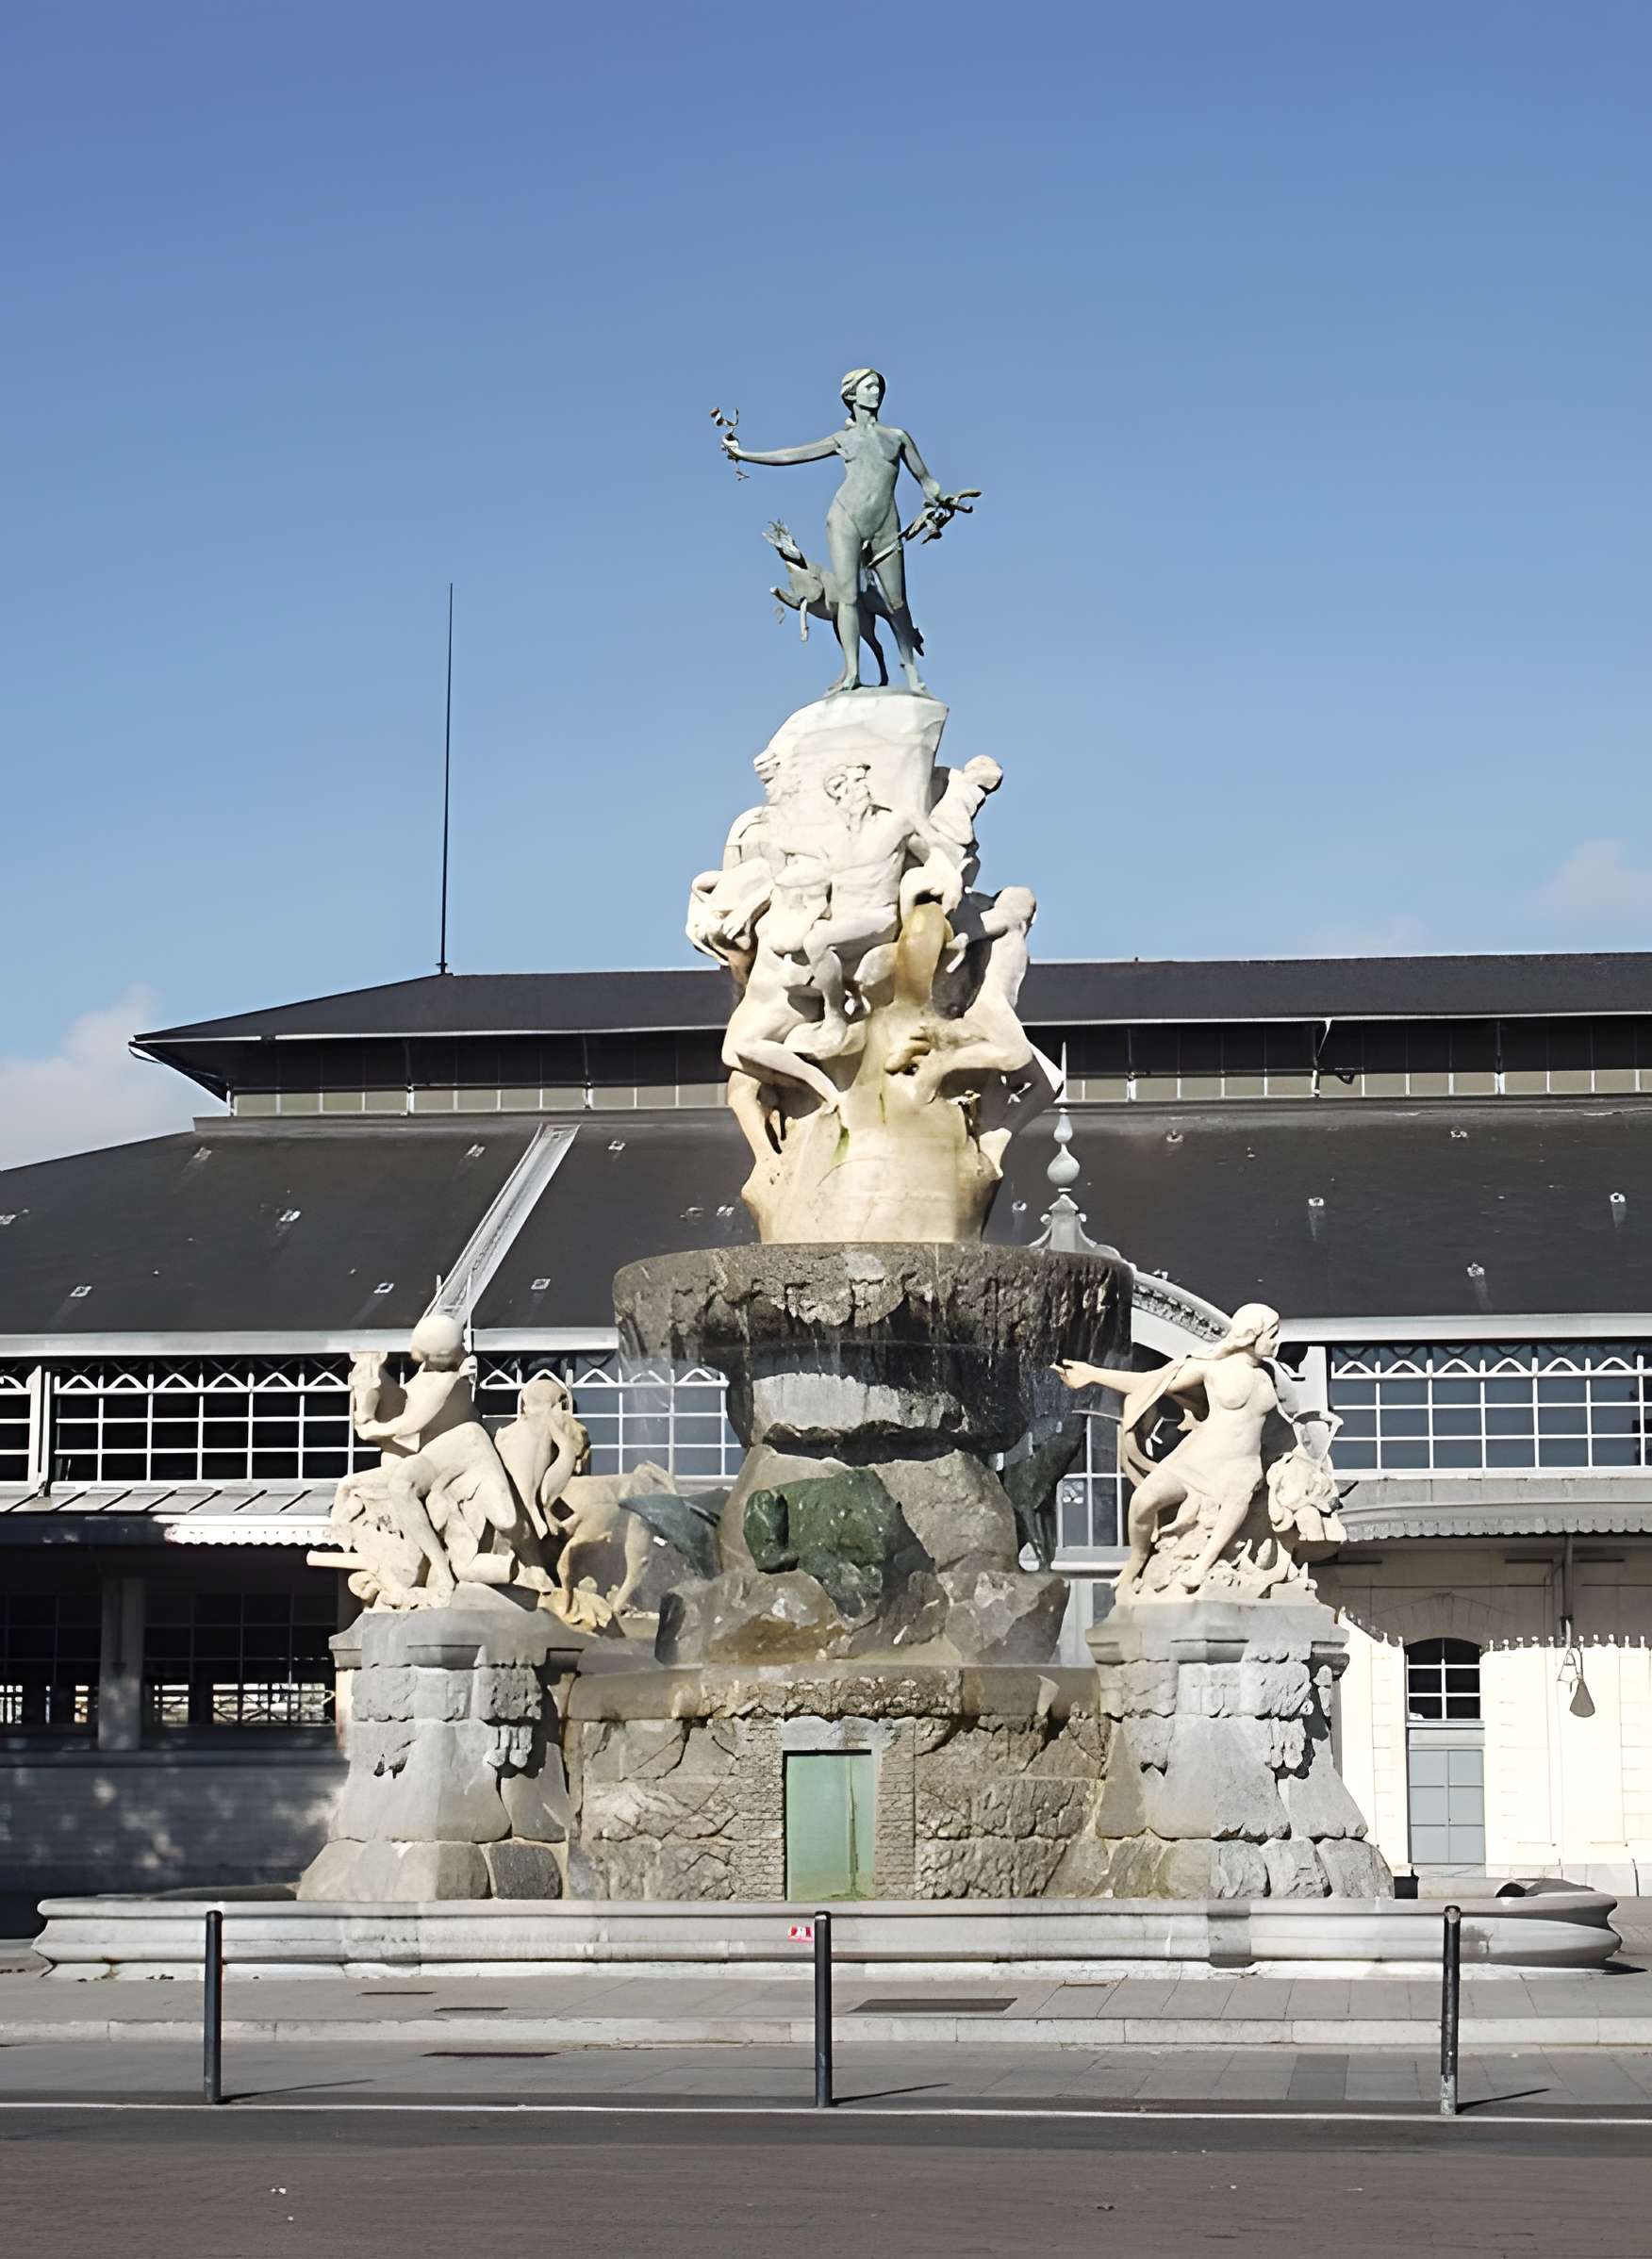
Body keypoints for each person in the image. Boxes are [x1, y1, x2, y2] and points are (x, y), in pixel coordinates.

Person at [722, 369, 962, 695]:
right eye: (868, 387)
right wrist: (744, 454)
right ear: (851, 395)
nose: (875, 392)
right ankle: (852, 672)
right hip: (846, 519)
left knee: (896, 602)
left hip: (885, 524)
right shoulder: (843, 439)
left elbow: (926, 479)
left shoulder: (897, 437)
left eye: (878, 386)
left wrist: (940, 495)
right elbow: (793, 455)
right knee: (848, 597)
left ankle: (913, 675)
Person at [1053, 1305, 1286, 1596]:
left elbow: (1288, 1426)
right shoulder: (1211, 1368)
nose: (1277, 1342)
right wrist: (1092, 1374)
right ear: (1251, 1335)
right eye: (1273, 1335)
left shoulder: (1271, 1379)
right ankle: (1136, 1559)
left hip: (1241, 1465)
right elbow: (1150, 1383)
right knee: (1142, 1501)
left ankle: (1203, 1564)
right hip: (1197, 1459)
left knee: (1237, 1498)